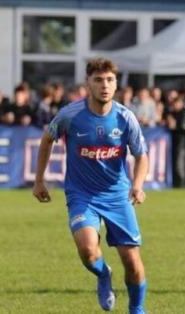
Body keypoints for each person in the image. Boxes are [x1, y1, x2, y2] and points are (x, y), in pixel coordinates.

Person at [32, 58, 149, 314]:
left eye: (109, 80)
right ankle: (103, 274)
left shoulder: (125, 118)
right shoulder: (70, 115)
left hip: (117, 197)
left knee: (132, 262)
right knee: (87, 251)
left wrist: (138, 185)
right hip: (82, 195)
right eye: (98, 80)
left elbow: (141, 155)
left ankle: (137, 310)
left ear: (116, 84)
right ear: (88, 84)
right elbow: (47, 140)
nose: (104, 85)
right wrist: (39, 180)